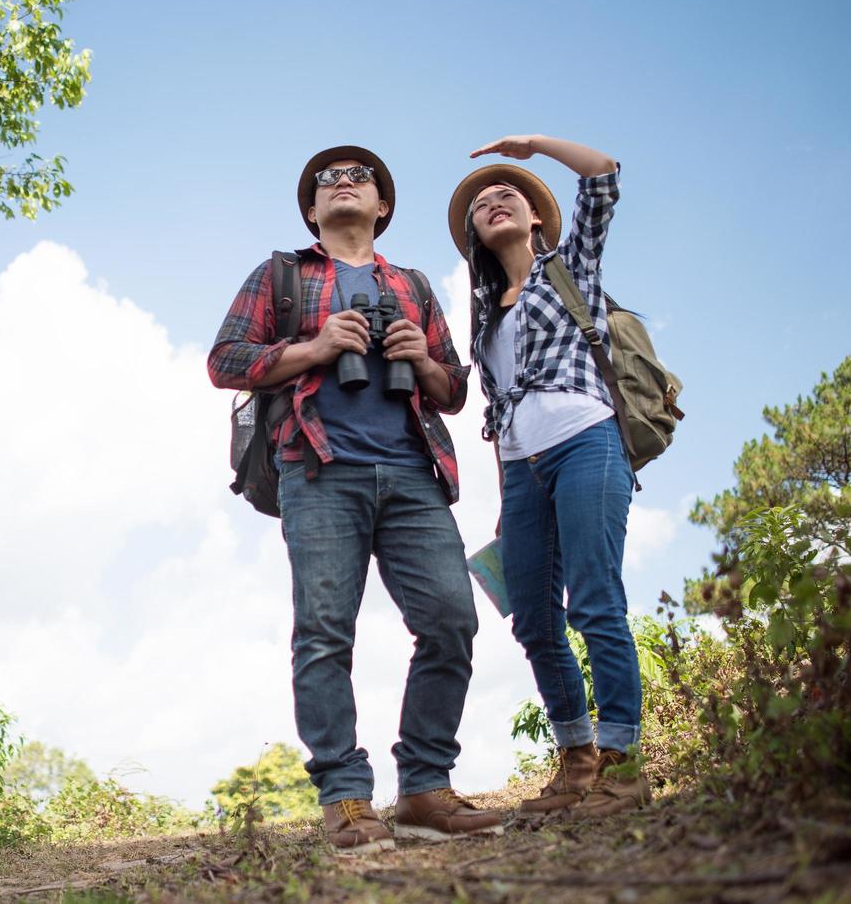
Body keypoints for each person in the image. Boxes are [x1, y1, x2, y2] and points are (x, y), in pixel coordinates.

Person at [209, 146, 502, 854]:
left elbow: (454, 392)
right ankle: (344, 797)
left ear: (382, 207)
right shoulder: (281, 275)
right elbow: (224, 361)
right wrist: (314, 348)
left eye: (358, 177)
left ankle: (425, 790)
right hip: (318, 470)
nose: (342, 183)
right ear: (312, 210)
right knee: (323, 633)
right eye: (325, 181)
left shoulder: (411, 284)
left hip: (411, 474)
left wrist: (419, 360)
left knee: (450, 622)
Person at [447, 134, 650, 819]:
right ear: (475, 233)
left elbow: (601, 176)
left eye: (508, 194)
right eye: (480, 202)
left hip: (586, 443)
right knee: (532, 618)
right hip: (519, 471)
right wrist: (506, 496)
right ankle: (576, 759)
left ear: (536, 217)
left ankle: (622, 767)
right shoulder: (482, 311)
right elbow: (496, 409)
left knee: (594, 600)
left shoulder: (571, 266)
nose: (492, 200)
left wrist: (531, 146)